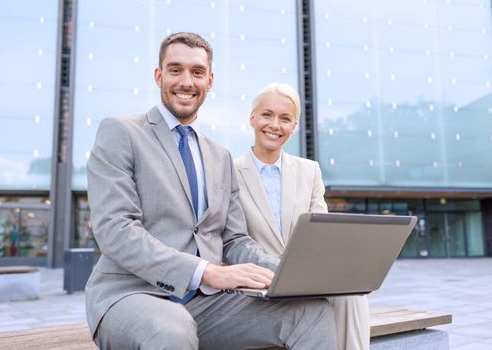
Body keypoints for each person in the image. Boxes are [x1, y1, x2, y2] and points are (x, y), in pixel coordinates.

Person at [85, 32, 338, 350]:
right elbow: (116, 230)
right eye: (175, 70)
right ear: (158, 75)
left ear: (210, 80)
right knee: (172, 331)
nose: (186, 81)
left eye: (197, 72)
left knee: (311, 312)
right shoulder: (120, 132)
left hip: (207, 305)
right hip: (132, 293)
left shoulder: (220, 157)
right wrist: (207, 272)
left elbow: (234, 240)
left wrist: (291, 273)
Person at [234, 83, 370, 350]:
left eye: (285, 119)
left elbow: (321, 236)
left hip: (306, 278)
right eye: (267, 115)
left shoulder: (310, 171)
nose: (275, 125)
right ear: (252, 118)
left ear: (294, 126)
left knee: (352, 294)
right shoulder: (228, 171)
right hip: (258, 283)